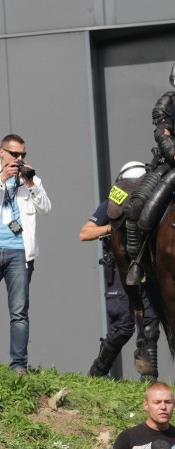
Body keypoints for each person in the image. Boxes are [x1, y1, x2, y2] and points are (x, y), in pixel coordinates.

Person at [0, 134, 51, 374]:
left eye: (23, 154)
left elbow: (46, 208)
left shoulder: (31, 180)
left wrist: (31, 183)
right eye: (15, 154)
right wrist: (2, 178)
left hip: (20, 253)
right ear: (1, 152)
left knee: (19, 312)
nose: (20, 158)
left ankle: (18, 366)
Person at [80, 161, 159, 380]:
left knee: (151, 324)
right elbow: (85, 233)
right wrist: (113, 228)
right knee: (124, 325)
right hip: (119, 272)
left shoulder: (154, 206)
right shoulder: (112, 204)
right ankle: (97, 373)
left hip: (147, 270)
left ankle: (149, 381)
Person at [124, 69, 175, 285]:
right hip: (170, 164)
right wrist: (173, 152)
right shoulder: (168, 102)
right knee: (137, 205)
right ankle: (138, 261)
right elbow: (162, 132)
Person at [109, 382, 175, 449]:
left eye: (168, 402)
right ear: (146, 405)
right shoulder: (128, 437)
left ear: (173, 404)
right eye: (157, 402)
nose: (163, 407)